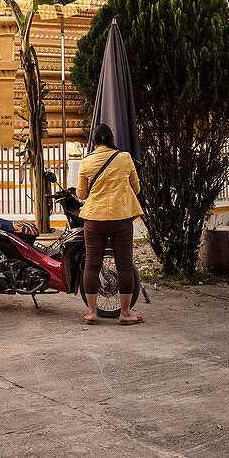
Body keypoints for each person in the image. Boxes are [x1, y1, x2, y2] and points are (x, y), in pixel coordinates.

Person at [76, 122, 144, 325]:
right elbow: (136, 188)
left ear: (94, 142)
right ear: (112, 140)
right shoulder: (125, 158)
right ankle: (125, 313)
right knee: (124, 266)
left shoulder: (87, 161)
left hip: (94, 220)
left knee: (91, 265)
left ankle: (91, 312)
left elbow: (81, 193)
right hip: (121, 219)